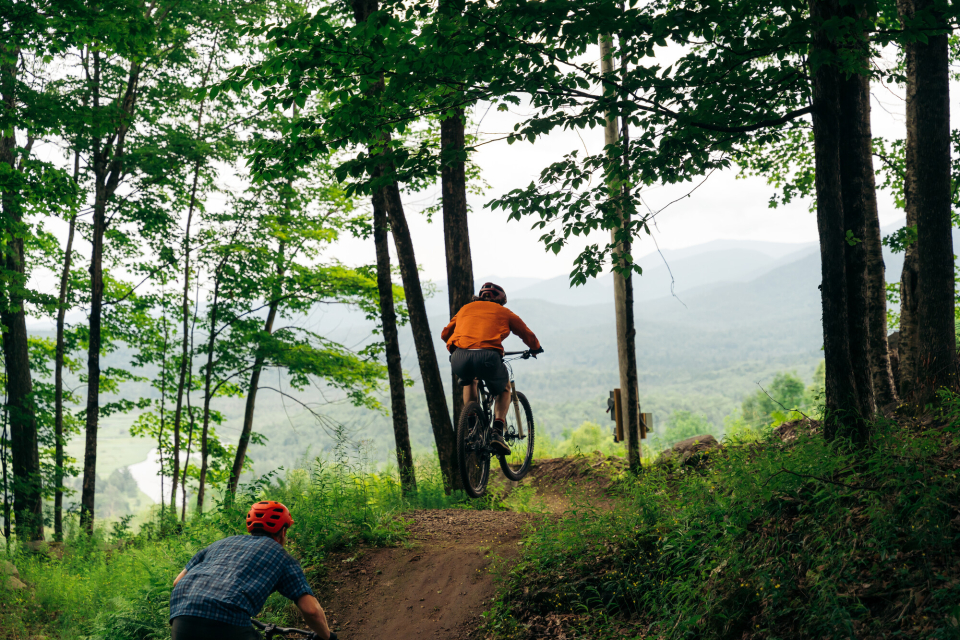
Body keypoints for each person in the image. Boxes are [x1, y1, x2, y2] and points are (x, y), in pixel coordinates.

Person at [169, 500, 337, 640]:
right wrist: (327, 636)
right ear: (284, 531)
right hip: (228, 621)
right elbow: (311, 610)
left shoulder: (220, 543)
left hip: (181, 617)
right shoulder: (281, 556)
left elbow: (178, 582)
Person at [441, 282, 543, 454]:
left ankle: (473, 429)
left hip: (459, 357)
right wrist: (535, 348)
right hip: (488, 357)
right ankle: (497, 432)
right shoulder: (504, 312)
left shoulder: (465, 309)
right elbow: (526, 333)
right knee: (504, 389)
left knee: (470, 382)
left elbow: (445, 334)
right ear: (501, 300)